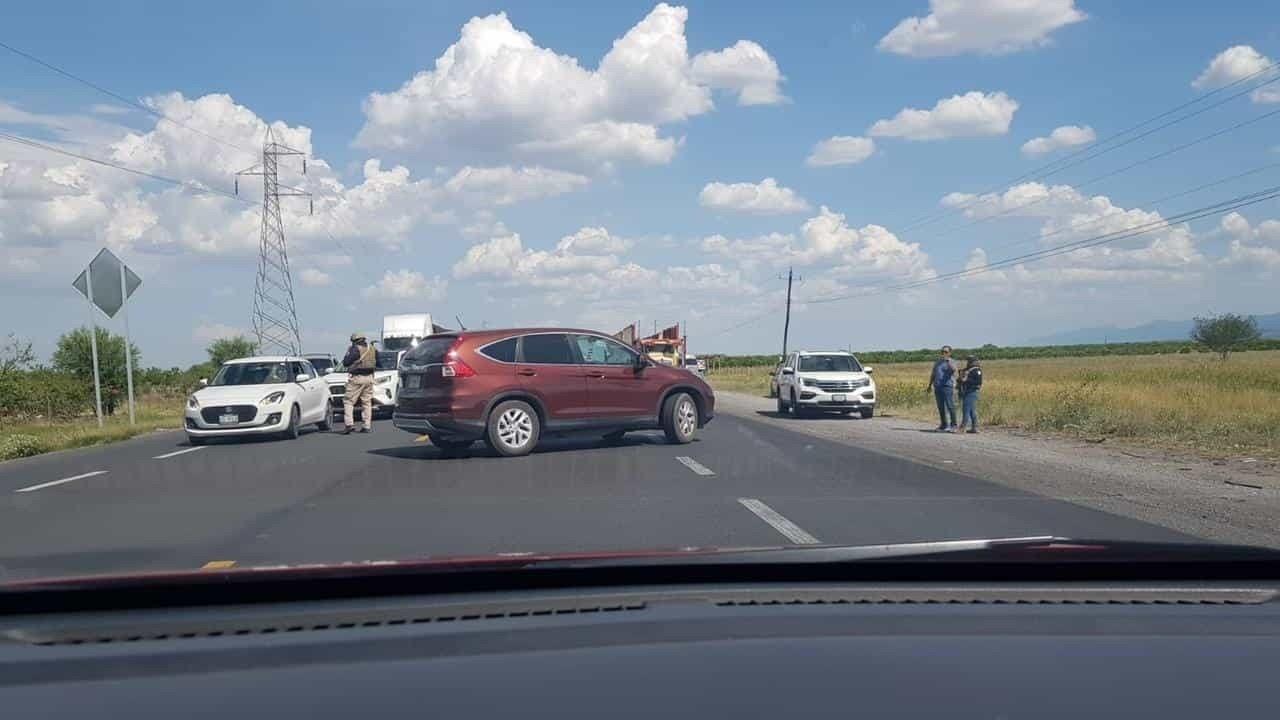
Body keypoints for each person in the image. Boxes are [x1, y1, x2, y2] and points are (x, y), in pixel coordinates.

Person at [342, 332, 376, 434]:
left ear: (354, 341)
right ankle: (367, 426)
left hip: (357, 378)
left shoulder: (355, 349)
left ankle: (349, 424)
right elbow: (377, 362)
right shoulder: (372, 348)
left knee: (348, 401)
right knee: (367, 402)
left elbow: (346, 362)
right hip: (369, 377)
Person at [926, 345, 957, 432]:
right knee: (940, 407)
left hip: (947, 386)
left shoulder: (952, 361)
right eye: (942, 352)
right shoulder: (937, 362)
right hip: (938, 387)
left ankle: (954, 425)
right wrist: (929, 385)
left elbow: (954, 370)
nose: (944, 353)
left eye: (946, 352)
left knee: (950, 406)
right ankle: (943, 425)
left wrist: (948, 362)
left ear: (950, 353)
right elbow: (933, 374)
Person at [959, 355, 983, 434]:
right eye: (968, 361)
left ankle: (963, 428)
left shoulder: (976, 370)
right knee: (972, 410)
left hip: (972, 391)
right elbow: (961, 380)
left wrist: (966, 380)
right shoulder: (968, 370)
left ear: (974, 361)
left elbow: (978, 382)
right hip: (967, 391)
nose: (968, 362)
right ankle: (974, 427)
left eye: (970, 361)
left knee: (966, 409)